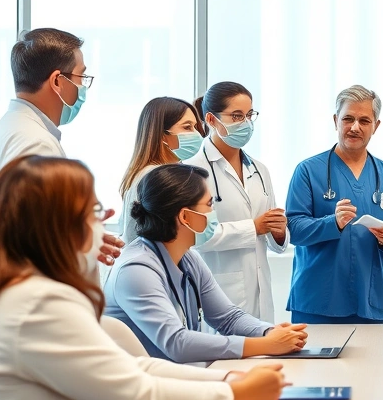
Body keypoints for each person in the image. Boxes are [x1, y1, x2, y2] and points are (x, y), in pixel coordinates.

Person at [0, 155, 287, 400]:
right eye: (93, 210)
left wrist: (228, 382)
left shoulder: (11, 296)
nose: (104, 221)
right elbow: (139, 396)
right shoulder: (35, 305)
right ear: (55, 226)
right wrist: (236, 395)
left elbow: (133, 366)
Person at [105, 164, 308, 363]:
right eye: (210, 205)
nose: (214, 214)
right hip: (139, 388)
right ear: (185, 216)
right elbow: (177, 343)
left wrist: (269, 332)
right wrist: (266, 345)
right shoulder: (135, 270)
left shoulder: (187, 258)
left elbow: (227, 317)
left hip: (172, 379)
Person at [0, 28, 123, 266]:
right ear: (58, 81)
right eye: (82, 77)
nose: (83, 86)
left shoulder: (11, 128)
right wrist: (82, 237)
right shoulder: (36, 143)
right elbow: (34, 238)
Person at [285, 85, 383, 324]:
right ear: (336, 120)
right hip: (317, 300)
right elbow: (293, 229)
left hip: (370, 298)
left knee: (373, 362)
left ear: (376, 126)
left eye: (364, 120)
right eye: (348, 119)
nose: (355, 127)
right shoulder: (307, 171)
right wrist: (332, 223)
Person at [184, 82, 288, 321]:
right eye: (237, 116)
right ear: (211, 119)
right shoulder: (192, 169)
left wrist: (279, 231)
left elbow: (273, 239)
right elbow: (195, 236)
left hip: (262, 294)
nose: (246, 124)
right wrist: (255, 227)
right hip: (219, 291)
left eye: (250, 115)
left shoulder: (260, 170)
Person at [118, 97, 203, 245]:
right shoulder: (156, 177)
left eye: (195, 127)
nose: (197, 135)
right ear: (163, 135)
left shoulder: (145, 172)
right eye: (187, 127)